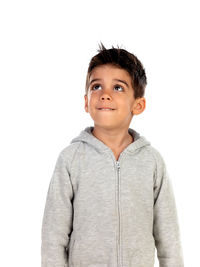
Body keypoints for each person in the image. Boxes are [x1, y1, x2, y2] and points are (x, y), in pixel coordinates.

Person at [41, 43, 184, 267]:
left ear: (138, 105)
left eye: (118, 88)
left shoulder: (152, 161)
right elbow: (53, 235)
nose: (105, 95)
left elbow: (168, 236)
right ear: (86, 102)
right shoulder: (70, 159)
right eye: (96, 86)